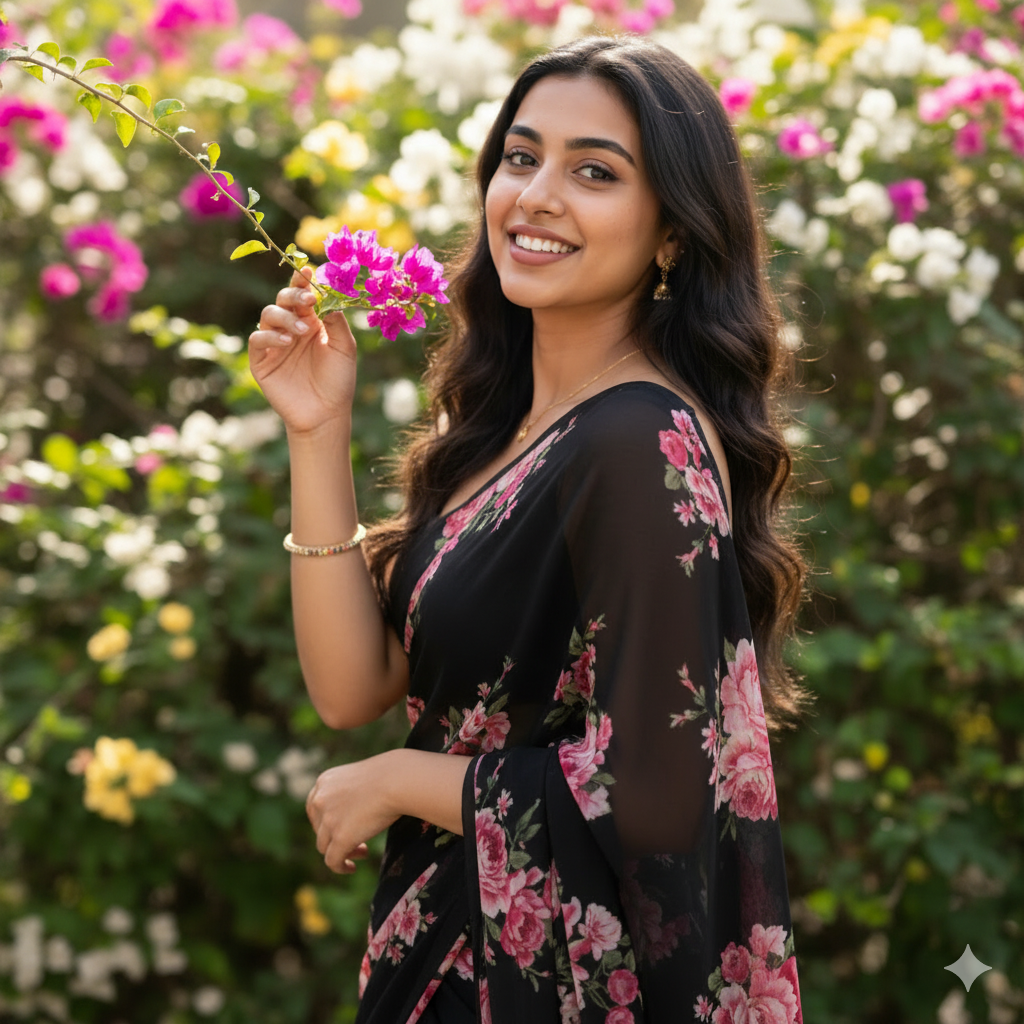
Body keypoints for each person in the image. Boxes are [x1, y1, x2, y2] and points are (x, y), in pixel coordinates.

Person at [248, 34, 808, 1024]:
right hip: (442, 955)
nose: (537, 193)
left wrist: (401, 777)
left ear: (672, 233)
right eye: (520, 156)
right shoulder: (511, 434)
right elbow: (354, 686)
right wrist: (315, 431)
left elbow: (659, 793)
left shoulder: (637, 438)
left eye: (593, 171)